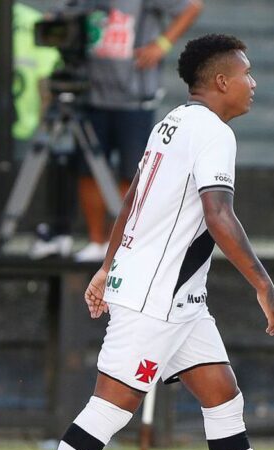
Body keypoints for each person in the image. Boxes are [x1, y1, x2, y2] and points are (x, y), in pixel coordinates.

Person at [37, 34, 274, 450]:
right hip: (153, 299)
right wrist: (265, 286)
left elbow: (134, 197)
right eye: (246, 74)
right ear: (221, 81)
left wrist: (107, 264)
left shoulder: (171, 123)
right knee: (108, 412)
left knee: (223, 398)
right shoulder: (214, 133)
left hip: (182, 302)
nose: (252, 83)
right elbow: (219, 215)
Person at [68, 0, 203, 261]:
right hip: (91, 94)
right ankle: (96, 240)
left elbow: (192, 6)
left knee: (133, 172)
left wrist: (161, 45)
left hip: (134, 97)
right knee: (87, 170)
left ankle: (119, 242)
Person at [0, 0, 68, 258]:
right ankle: (19, 232)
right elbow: (45, 81)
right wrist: (44, 124)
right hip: (24, 123)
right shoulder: (30, 19)